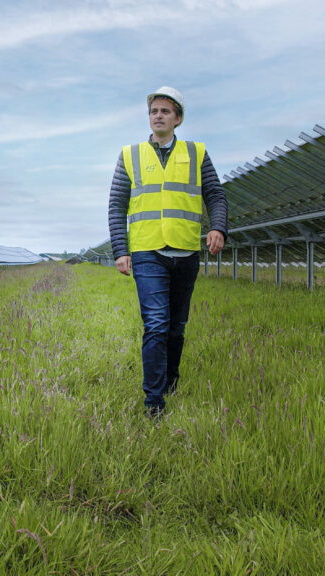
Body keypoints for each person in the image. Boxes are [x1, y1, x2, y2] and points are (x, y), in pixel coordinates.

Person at [107, 86, 228, 418]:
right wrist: (121, 249)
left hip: (186, 250)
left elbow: (215, 194)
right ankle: (154, 400)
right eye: (153, 111)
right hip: (147, 251)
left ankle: (171, 380)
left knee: (176, 326)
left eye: (164, 111)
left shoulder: (197, 153)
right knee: (157, 324)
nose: (157, 116)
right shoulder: (130, 155)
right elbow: (117, 206)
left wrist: (217, 226)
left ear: (178, 119)